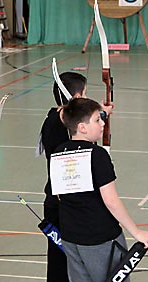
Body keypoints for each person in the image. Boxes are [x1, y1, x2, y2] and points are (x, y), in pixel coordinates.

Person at [52, 97, 148, 282]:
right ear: (82, 127)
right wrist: (136, 232)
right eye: (97, 120)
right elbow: (111, 200)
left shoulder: (59, 151)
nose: (102, 123)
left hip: (71, 237)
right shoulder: (97, 155)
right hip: (100, 238)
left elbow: (60, 195)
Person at [38, 71, 114, 281]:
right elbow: (71, 119)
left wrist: (100, 114)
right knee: (60, 263)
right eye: (84, 95)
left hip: (72, 204)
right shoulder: (56, 122)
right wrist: (96, 112)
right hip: (61, 204)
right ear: (76, 98)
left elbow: (78, 120)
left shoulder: (63, 119)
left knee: (77, 263)